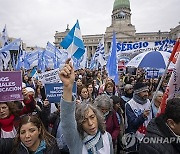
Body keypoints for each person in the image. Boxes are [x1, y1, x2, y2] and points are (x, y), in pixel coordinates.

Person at [59, 59, 113, 154]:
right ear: (79, 124)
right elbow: (67, 118)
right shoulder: (75, 140)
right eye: (84, 120)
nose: (91, 123)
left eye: (92, 117)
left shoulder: (107, 137)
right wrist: (68, 88)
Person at [125, 82, 153, 152]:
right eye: (144, 91)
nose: (146, 94)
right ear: (137, 92)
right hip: (135, 137)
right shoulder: (129, 104)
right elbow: (132, 124)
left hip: (147, 135)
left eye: (147, 91)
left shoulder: (149, 102)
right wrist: (142, 116)